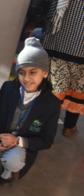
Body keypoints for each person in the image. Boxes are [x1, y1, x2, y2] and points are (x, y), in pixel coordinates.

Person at [0, 38, 60, 194]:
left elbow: (46, 141)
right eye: (22, 73)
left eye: (33, 72)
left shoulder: (51, 104)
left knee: (13, 160)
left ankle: (8, 172)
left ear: (45, 73)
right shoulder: (8, 88)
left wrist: (18, 141)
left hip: (19, 150)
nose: (27, 78)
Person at [42, 0, 83, 137]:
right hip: (77, 44)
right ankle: (69, 127)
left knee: (55, 85)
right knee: (77, 84)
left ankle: (44, 124)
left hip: (60, 36)